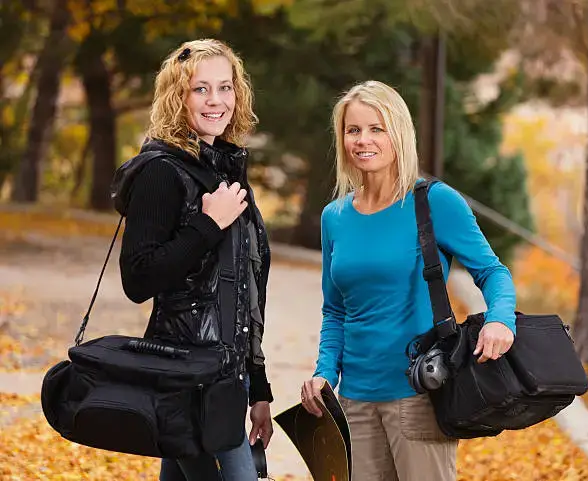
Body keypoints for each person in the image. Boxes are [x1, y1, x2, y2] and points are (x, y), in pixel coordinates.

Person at [300, 80, 517, 481]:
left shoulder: (435, 202)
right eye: (353, 130)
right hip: (354, 404)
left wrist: (500, 319)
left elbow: (492, 272)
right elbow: (335, 310)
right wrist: (325, 372)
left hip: (419, 396)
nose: (363, 140)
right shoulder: (335, 217)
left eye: (376, 128)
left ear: (398, 132)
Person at [116, 39, 274, 481]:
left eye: (225, 88)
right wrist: (206, 227)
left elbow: (244, 293)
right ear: (177, 96)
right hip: (184, 377)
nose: (216, 101)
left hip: (225, 380)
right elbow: (138, 278)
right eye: (200, 89)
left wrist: (257, 387)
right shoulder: (161, 172)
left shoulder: (225, 169)